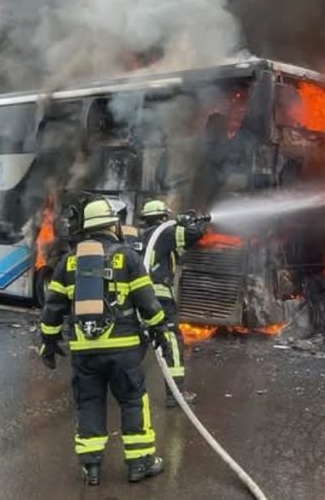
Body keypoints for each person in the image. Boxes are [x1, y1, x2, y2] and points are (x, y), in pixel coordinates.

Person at [39, 198, 172, 486]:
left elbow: (53, 307)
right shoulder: (128, 257)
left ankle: (91, 467)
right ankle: (140, 463)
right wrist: (160, 329)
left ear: (87, 229)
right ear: (113, 225)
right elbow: (147, 301)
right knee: (133, 401)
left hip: (84, 351)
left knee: (89, 403)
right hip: (123, 349)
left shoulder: (68, 262)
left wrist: (48, 341)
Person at [138, 199, 207, 407]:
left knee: (137, 342)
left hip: (140, 298)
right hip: (160, 298)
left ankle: (128, 389)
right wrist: (188, 222)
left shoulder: (143, 237)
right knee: (172, 342)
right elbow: (195, 234)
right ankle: (175, 394)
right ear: (163, 217)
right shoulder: (165, 233)